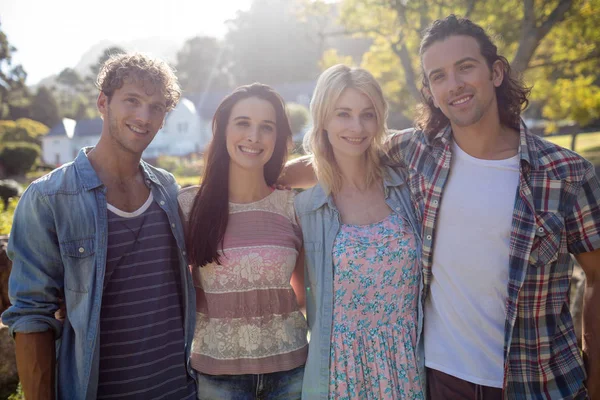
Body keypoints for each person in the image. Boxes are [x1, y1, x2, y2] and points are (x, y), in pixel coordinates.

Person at [283, 15, 600, 399]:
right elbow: (338, 153)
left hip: (538, 382)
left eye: (465, 67)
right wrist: (257, 178)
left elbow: (596, 278)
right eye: (438, 76)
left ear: (496, 72)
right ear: (430, 91)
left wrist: (595, 379)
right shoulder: (419, 153)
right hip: (439, 378)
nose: (455, 85)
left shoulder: (565, 174)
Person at [2, 53, 197, 400]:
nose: (144, 116)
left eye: (156, 107)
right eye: (132, 101)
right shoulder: (49, 197)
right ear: (103, 103)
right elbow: (32, 316)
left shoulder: (167, 189)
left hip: (180, 391)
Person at [294, 64, 425, 399]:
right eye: (343, 114)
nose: (356, 127)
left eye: (367, 114)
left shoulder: (406, 187)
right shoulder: (306, 207)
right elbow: (296, 298)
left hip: (411, 365)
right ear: (322, 118)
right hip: (341, 374)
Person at [178, 83, 308, 399]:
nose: (254, 136)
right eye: (243, 123)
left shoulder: (293, 206)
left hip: (291, 373)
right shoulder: (187, 207)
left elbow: (302, 295)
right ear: (222, 131)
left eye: (267, 127)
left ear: (278, 138)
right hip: (217, 378)